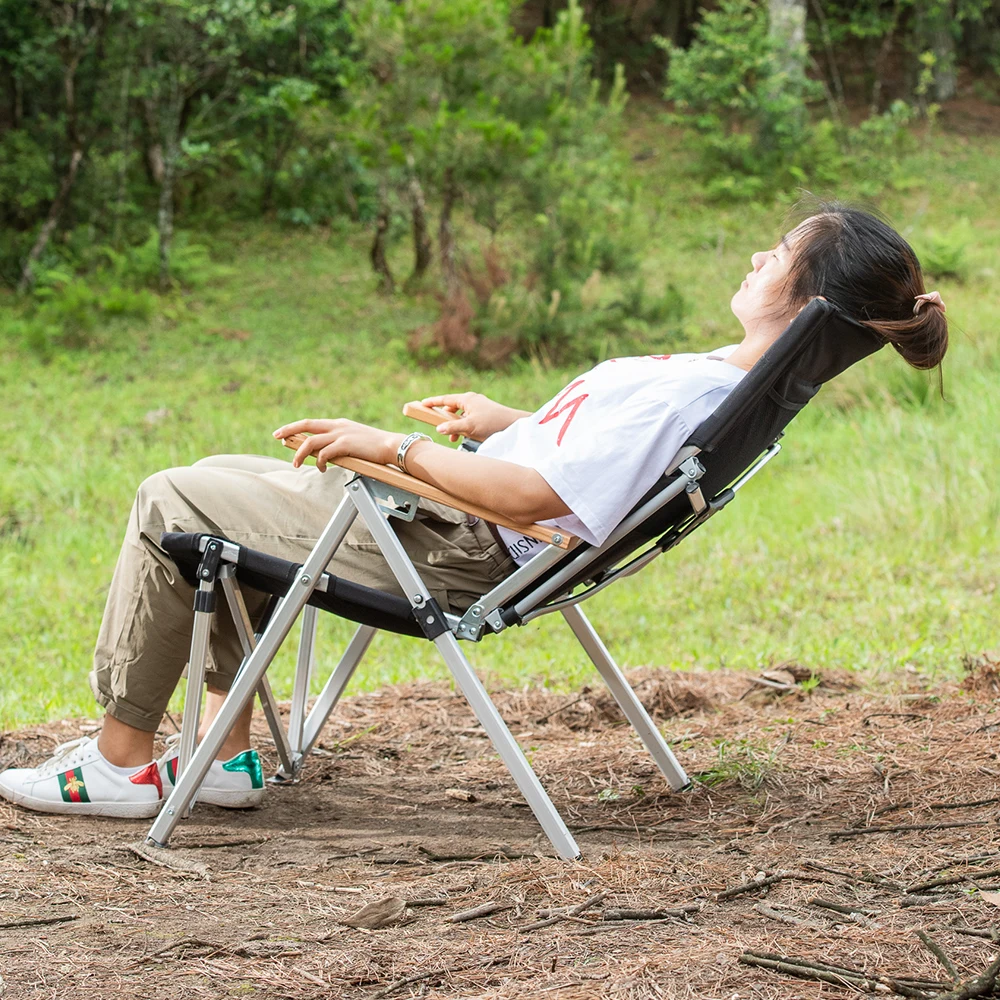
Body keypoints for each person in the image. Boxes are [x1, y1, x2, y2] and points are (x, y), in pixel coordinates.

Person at [0, 203, 949, 818]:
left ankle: (123, 762)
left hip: (448, 544)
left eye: (778, 252)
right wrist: (504, 421)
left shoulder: (685, 398)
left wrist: (393, 447)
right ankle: (232, 755)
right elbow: (572, 467)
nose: (755, 253)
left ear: (808, 296)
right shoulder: (722, 388)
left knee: (172, 494)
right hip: (452, 522)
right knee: (216, 473)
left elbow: (539, 499)